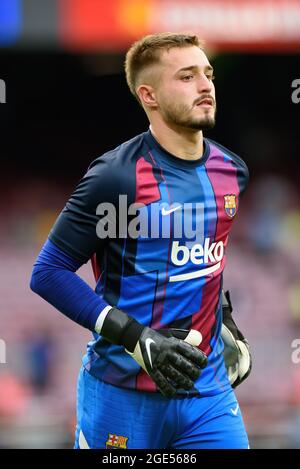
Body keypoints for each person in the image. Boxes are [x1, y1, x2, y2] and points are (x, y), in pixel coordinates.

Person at [30, 32, 251, 449]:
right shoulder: (115, 177)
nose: (205, 86)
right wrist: (136, 336)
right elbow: (47, 273)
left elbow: (205, 262)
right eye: (186, 77)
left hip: (207, 392)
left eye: (208, 74)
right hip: (121, 392)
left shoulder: (231, 171)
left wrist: (229, 323)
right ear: (149, 95)